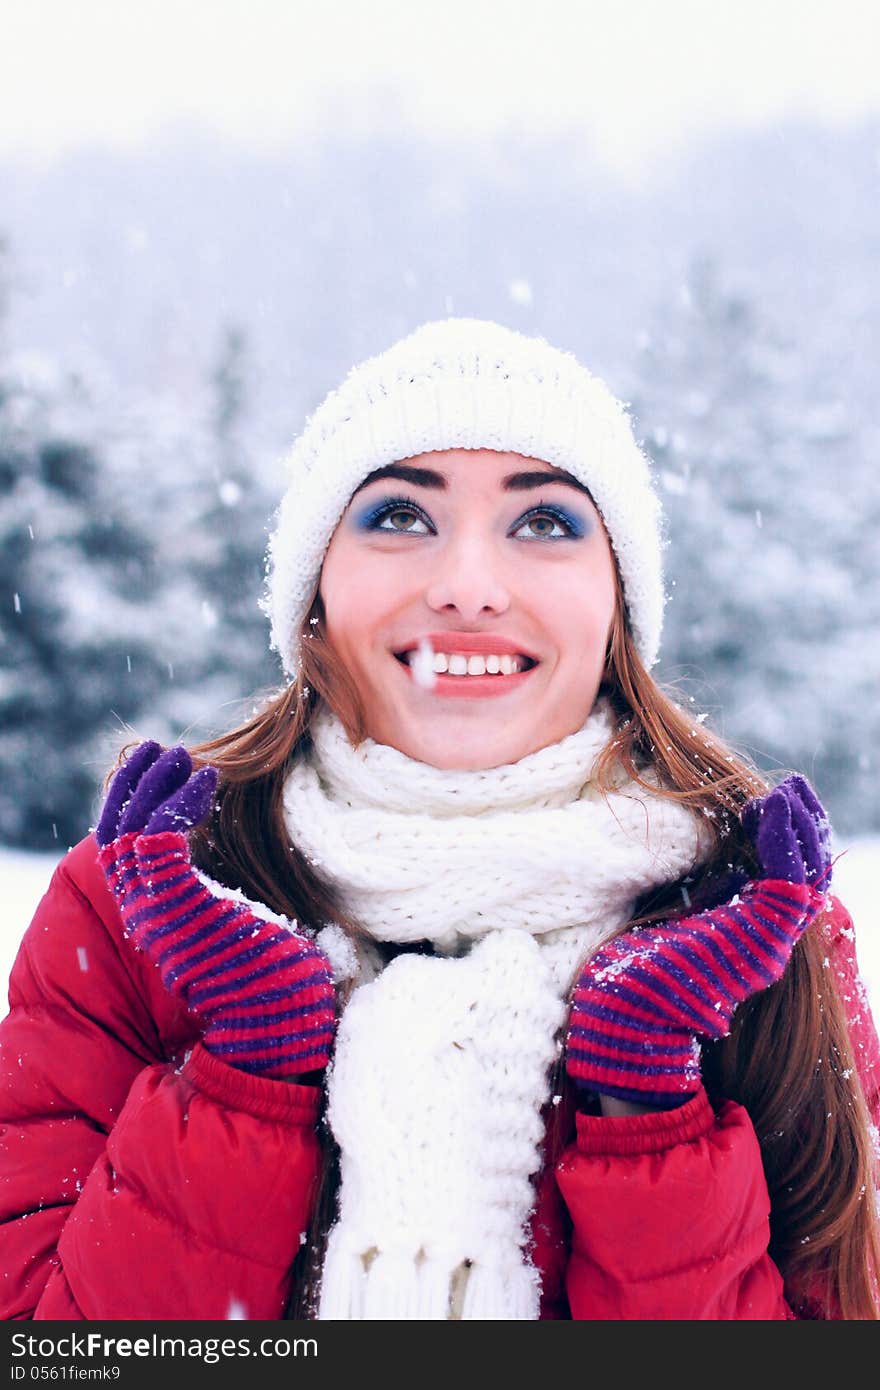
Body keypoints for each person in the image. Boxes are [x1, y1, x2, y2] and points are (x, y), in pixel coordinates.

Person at [1, 317, 878, 1322]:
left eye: (544, 522)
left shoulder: (757, 925)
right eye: (399, 517)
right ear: (313, 591)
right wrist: (242, 1080)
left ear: (617, 603)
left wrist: (647, 1108)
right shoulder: (140, 900)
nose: (466, 585)